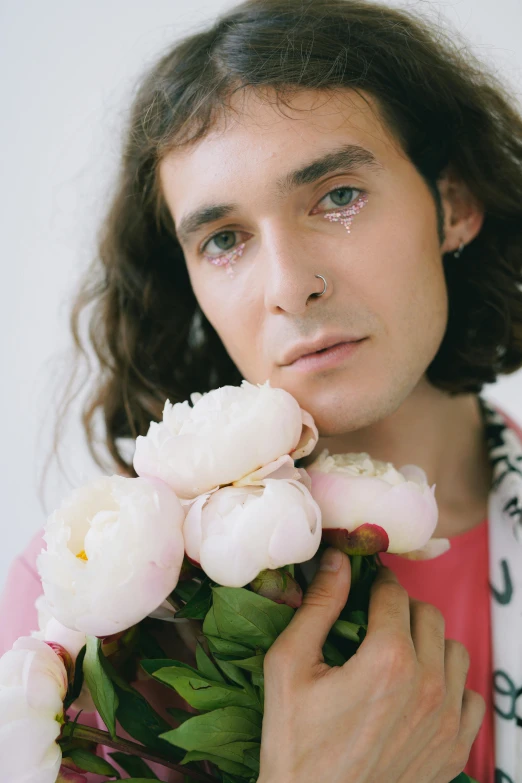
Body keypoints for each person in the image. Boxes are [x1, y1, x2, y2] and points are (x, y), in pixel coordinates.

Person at [2, 0, 522, 780]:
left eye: (338, 196)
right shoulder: (82, 603)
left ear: (455, 204)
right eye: (224, 241)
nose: (288, 286)